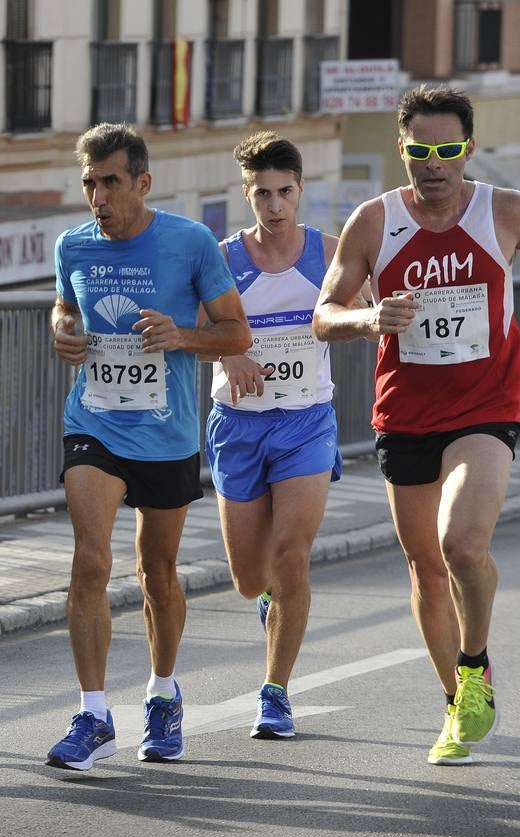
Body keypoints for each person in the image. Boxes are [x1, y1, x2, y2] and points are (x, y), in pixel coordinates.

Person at [314, 85, 520, 766]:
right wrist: (370, 319)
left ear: (468, 147)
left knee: (461, 545)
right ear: (403, 149)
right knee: (428, 569)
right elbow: (324, 314)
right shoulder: (373, 222)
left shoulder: (503, 211)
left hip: (488, 406)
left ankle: (474, 663)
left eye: (448, 150)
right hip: (405, 414)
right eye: (421, 151)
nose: (435, 164)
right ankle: (456, 701)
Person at [43, 124, 250, 771]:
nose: (98, 196)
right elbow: (62, 309)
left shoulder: (189, 243)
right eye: (89, 183)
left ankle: (162, 694)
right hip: (95, 421)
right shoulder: (71, 246)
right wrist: (63, 332)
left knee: (156, 572)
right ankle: (93, 712)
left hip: (166, 432)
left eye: (110, 181)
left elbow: (236, 332)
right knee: (90, 560)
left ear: (142, 183)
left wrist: (182, 335)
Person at [204, 132, 353, 740]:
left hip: (306, 420)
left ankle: (275, 693)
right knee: (248, 578)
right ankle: (271, 602)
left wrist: (364, 321)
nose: (273, 205)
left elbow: (352, 313)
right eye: (261, 193)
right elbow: (187, 335)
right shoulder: (219, 258)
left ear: (299, 190)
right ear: (246, 194)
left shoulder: (329, 251)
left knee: (292, 557)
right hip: (237, 425)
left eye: (283, 192)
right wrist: (230, 355)